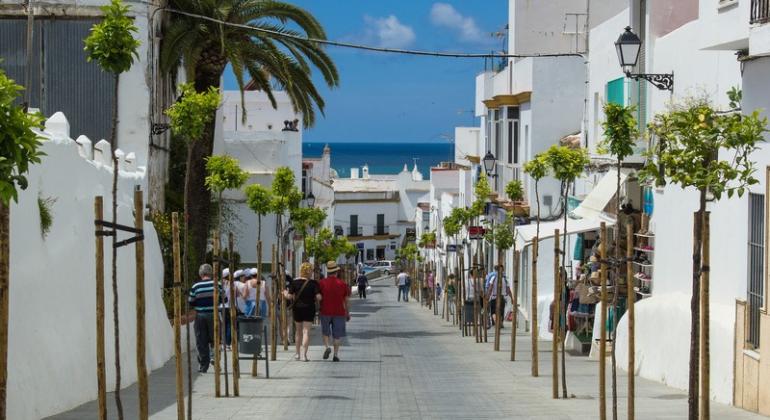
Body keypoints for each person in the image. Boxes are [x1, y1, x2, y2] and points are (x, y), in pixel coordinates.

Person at [284, 262, 321, 361]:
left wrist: (284, 293)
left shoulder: (294, 283)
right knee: (306, 332)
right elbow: (318, 297)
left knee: (298, 332)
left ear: (301, 271)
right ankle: (304, 355)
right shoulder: (314, 283)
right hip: (309, 308)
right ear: (310, 272)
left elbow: (289, 296)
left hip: (297, 308)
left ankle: (297, 354)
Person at [189, 263, 222, 373]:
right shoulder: (217, 284)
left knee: (201, 341)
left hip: (200, 317)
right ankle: (215, 358)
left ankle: (203, 365)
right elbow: (224, 299)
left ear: (201, 274)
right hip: (214, 315)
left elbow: (191, 302)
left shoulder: (195, 286)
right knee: (216, 338)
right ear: (211, 273)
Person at [319, 261, 350, 362]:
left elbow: (319, 297)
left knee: (325, 332)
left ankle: (327, 347)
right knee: (337, 335)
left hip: (325, 311)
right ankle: (336, 355)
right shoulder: (343, 284)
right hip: (339, 313)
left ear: (328, 272)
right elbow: (346, 300)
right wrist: (347, 313)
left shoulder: (322, 283)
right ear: (336, 272)